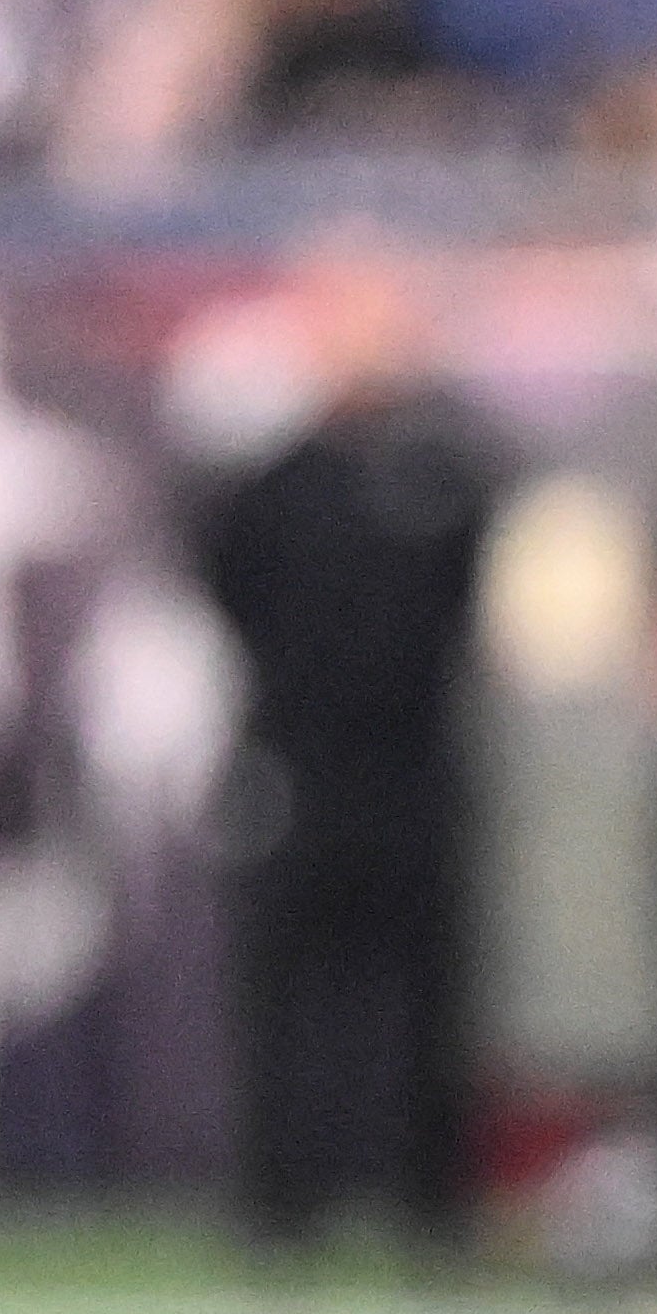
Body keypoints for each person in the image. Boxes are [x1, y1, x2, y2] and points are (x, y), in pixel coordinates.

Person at [193, 243, 504, 1259]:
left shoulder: (451, 471)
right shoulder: (275, 480)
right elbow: (229, 594)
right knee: (290, 1001)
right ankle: (283, 1212)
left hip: (416, 768)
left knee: (427, 1001)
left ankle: (430, 1210)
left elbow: (476, 609)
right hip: (299, 767)